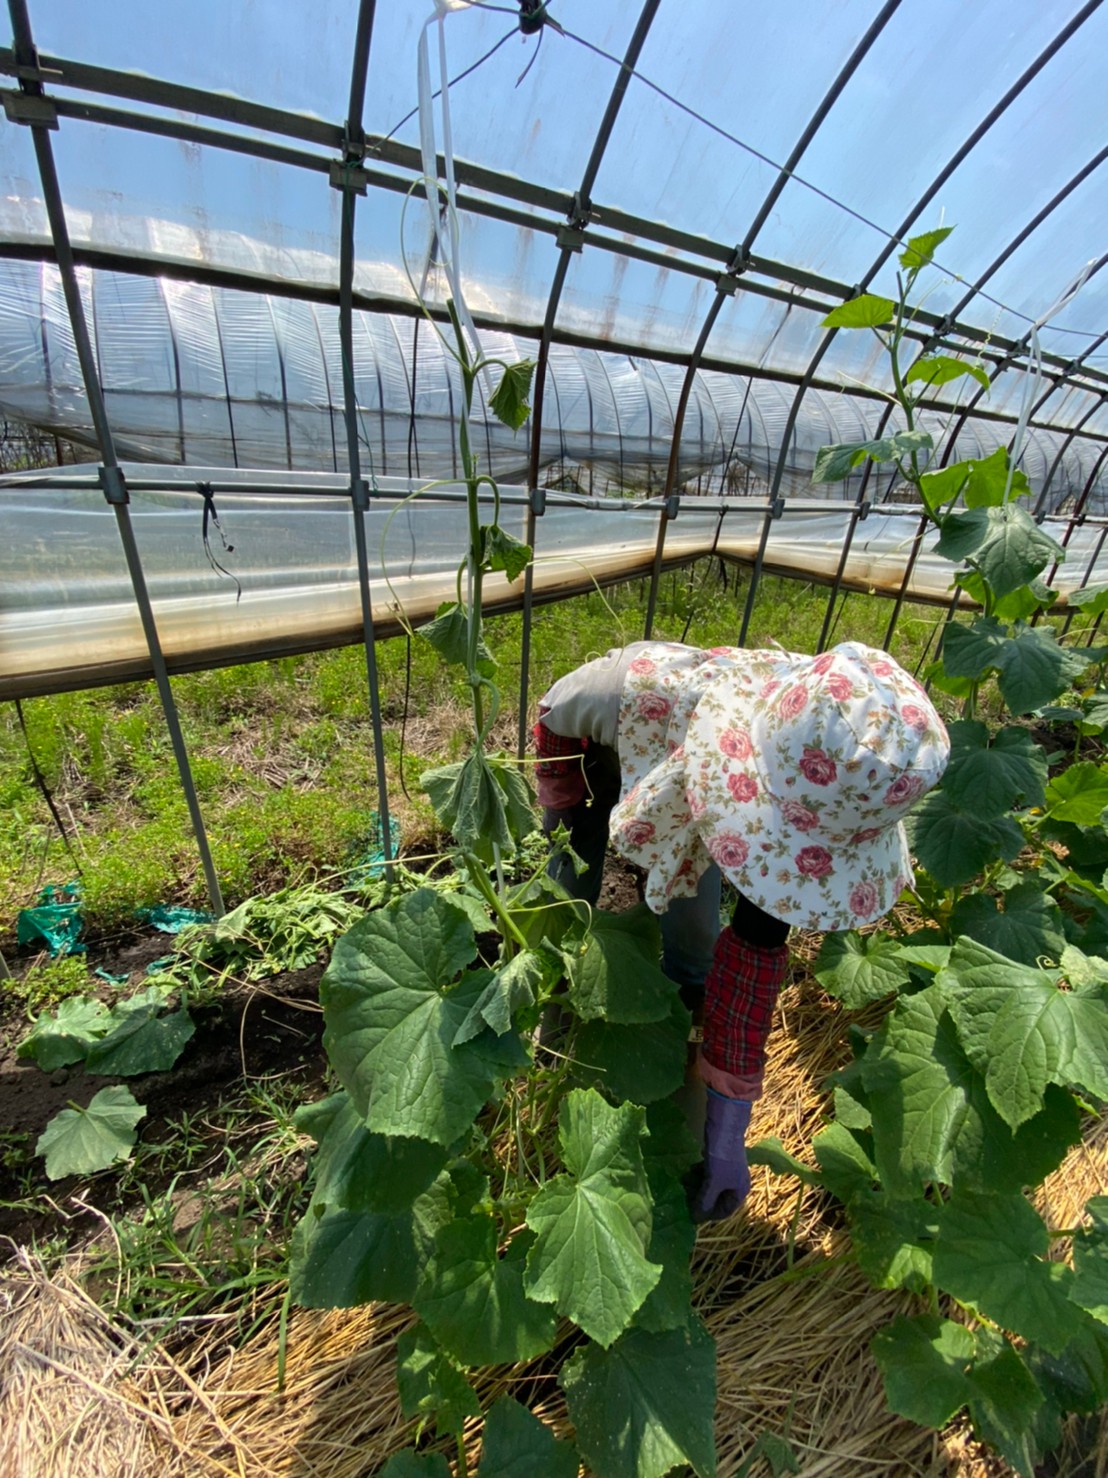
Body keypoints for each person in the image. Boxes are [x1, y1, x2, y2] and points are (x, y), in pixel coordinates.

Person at [534, 639, 950, 1222]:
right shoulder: (626, 690)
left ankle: (680, 1021)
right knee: (566, 894)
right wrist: (566, 796)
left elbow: (755, 950)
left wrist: (727, 1133)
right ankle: (548, 1031)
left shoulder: (825, 777)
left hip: (703, 769)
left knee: (697, 941)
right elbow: (555, 710)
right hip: (601, 746)